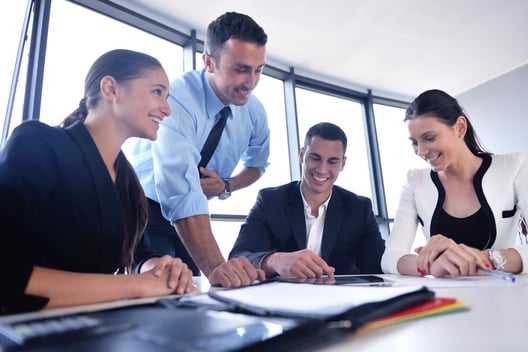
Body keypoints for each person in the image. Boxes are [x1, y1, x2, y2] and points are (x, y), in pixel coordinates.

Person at [0, 49, 195, 315]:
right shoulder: (37, 143)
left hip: (94, 328)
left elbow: (138, 255)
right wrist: (136, 285)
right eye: (157, 92)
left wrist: (161, 271)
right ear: (111, 89)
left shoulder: (126, 182)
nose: (167, 109)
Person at [129, 12, 269, 287]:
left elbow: (257, 166)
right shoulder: (178, 99)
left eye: (259, 69)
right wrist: (216, 266)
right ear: (209, 61)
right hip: (144, 205)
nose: (251, 82)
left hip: (193, 213)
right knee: (164, 284)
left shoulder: (254, 111)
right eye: (241, 69)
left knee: (195, 289)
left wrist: (227, 186)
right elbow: (180, 188)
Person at [381, 89, 528, 278]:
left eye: (429, 138)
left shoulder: (514, 166)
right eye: (414, 142)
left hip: (502, 295)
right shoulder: (414, 180)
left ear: (459, 127)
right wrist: (431, 265)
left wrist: (481, 259)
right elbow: (390, 257)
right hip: (446, 298)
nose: (421, 151)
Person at [229, 122, 385, 279]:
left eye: (332, 161)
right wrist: (275, 261)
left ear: (342, 164)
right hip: (283, 299)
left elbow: (378, 267)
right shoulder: (270, 201)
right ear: (302, 155)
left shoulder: (359, 208)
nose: (322, 169)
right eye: (315, 158)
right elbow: (239, 256)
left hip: (342, 300)